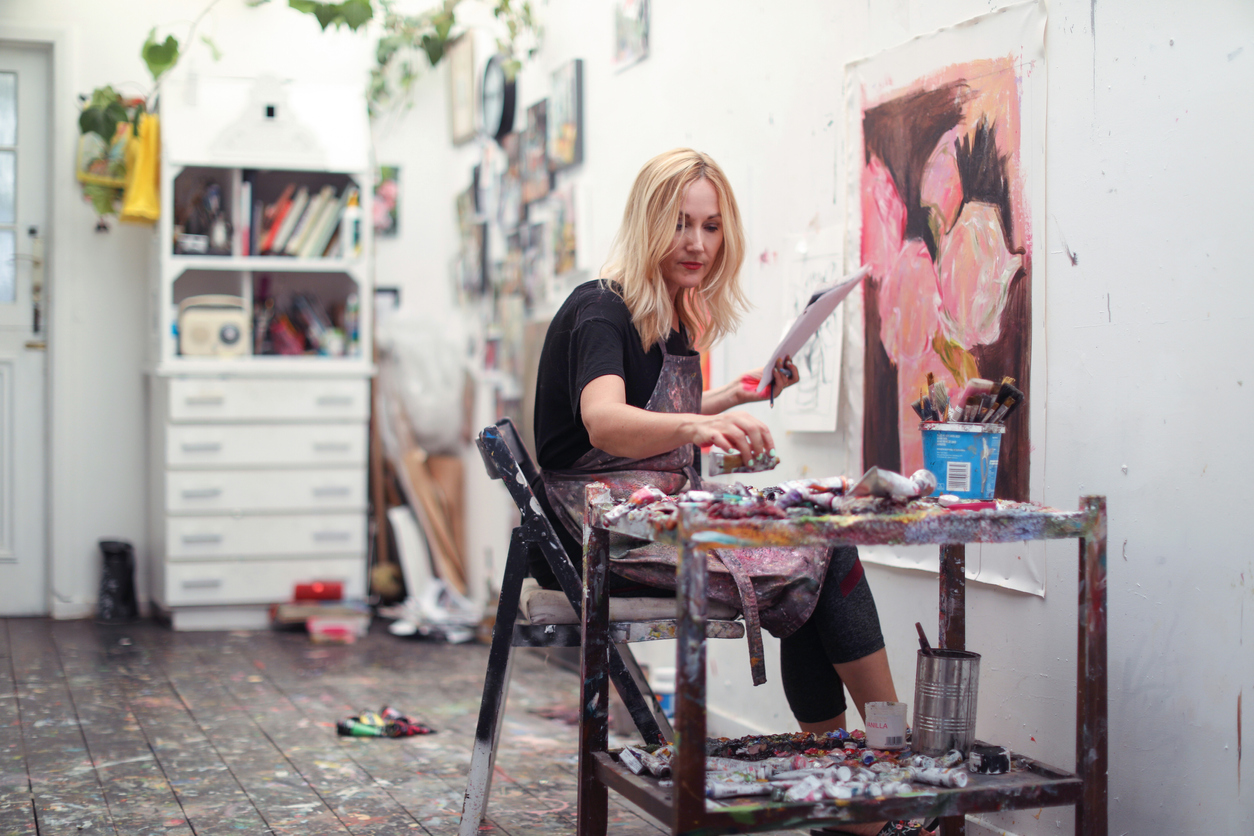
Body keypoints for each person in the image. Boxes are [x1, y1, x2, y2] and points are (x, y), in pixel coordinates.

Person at [532, 148, 928, 836]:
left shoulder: (664, 312)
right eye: (681, 224)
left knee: (816, 558)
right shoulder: (602, 307)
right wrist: (699, 424)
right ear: (647, 223)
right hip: (600, 534)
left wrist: (739, 393)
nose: (696, 243)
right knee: (826, 554)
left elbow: (648, 415)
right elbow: (605, 419)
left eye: (711, 227)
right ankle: (890, 767)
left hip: (640, 517)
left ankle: (853, 788)